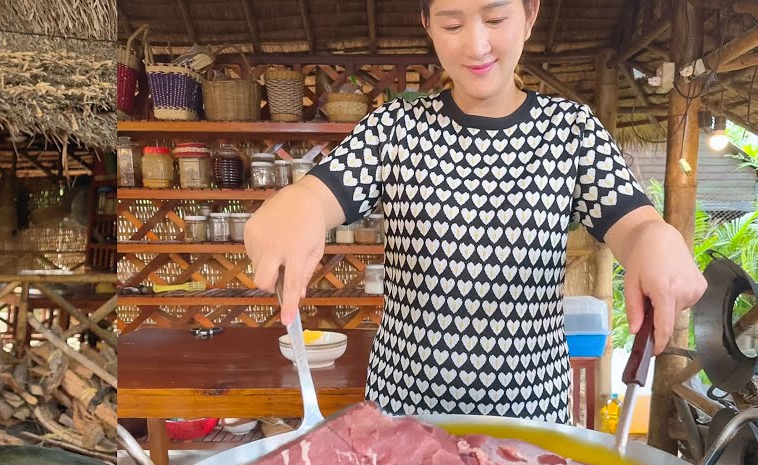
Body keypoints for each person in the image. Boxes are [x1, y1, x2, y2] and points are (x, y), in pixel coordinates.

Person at [244, 0, 708, 424]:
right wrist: (295, 205)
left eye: (494, 19)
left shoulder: (572, 131)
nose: (476, 45)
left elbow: (634, 224)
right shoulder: (394, 128)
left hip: (530, 421)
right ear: (427, 24)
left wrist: (655, 238)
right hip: (403, 419)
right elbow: (318, 195)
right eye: (452, 23)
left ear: (529, 16)